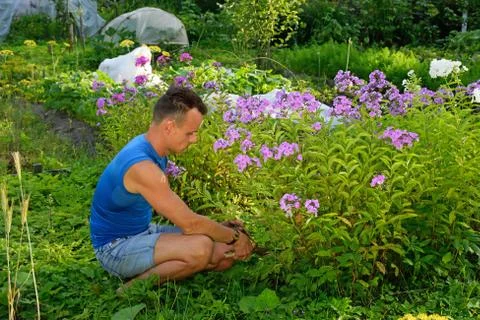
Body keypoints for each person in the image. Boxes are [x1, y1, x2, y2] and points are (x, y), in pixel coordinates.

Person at [90, 85, 254, 288]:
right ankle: (130, 290)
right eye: (190, 133)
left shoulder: (151, 146)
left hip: (142, 231)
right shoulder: (143, 167)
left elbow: (183, 215)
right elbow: (190, 224)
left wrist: (221, 231)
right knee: (201, 248)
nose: (194, 139)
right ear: (169, 127)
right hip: (115, 249)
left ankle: (174, 264)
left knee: (224, 255)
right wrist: (235, 237)